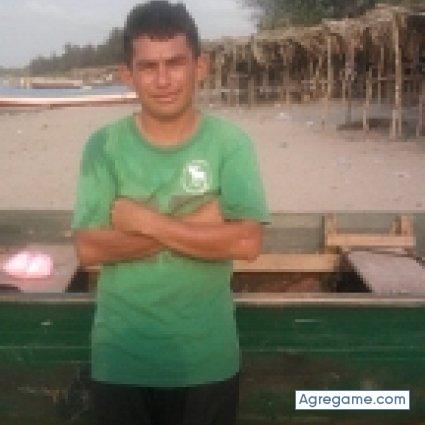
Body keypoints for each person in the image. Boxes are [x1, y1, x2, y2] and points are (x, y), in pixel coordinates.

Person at [71, 1, 270, 424]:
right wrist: (202, 223)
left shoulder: (230, 144)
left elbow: (247, 242)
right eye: (148, 67)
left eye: (175, 63)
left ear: (201, 66)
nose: (163, 81)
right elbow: (89, 249)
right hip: (121, 361)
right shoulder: (103, 146)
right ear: (128, 74)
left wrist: (146, 221)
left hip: (207, 361)